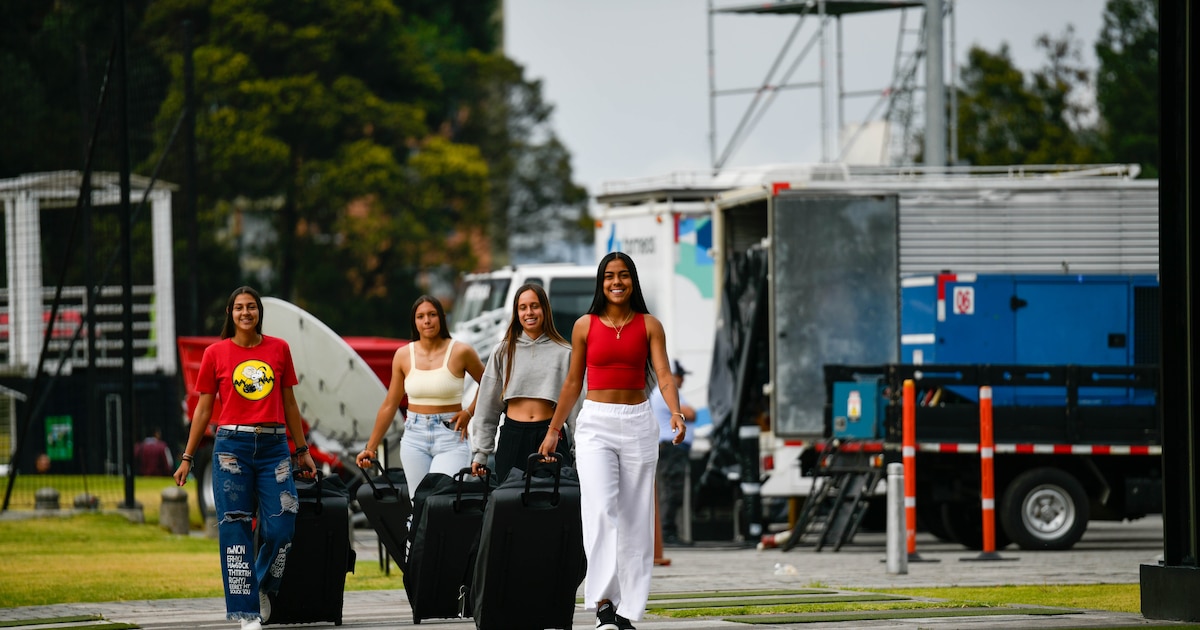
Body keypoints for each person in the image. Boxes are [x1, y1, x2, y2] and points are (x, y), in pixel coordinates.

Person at [539, 251, 686, 630]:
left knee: (636, 518)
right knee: (600, 510)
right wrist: (554, 430)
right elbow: (573, 383)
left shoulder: (650, 325)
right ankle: (604, 602)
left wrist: (675, 411)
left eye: (623, 276)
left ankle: (628, 610)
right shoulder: (585, 325)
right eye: (609, 276)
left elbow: (665, 375)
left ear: (633, 281)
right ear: (601, 283)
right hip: (596, 424)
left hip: (638, 423)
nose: (616, 282)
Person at [174, 286, 315, 630]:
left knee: (283, 526)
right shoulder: (215, 353)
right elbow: (204, 408)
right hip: (230, 449)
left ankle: (262, 585)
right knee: (234, 530)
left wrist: (302, 450)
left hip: (274, 448)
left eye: (251, 307)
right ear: (230, 313)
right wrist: (187, 457)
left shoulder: (278, 349)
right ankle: (246, 612)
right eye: (239, 308)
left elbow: (291, 404)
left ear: (259, 312)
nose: (245, 313)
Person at [356, 295, 484, 495]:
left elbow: (490, 383)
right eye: (420, 316)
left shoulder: (461, 351)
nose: (427, 321)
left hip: (450, 436)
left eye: (432, 315)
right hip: (414, 436)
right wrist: (370, 448)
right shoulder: (403, 355)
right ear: (414, 322)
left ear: (441, 317)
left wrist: (469, 412)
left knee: (440, 501)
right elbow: (390, 404)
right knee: (418, 504)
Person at [470, 283, 574, 483]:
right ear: (516, 312)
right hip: (512, 436)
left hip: (551, 436)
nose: (529, 312)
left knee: (550, 505)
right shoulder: (502, 351)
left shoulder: (564, 352)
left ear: (545, 309)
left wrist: (578, 452)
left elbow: (575, 409)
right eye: (523, 307)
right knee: (511, 506)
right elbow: (487, 408)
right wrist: (481, 453)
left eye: (535, 306)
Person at [651, 360, 697, 546]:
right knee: (672, 490)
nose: (683, 380)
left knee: (672, 489)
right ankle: (668, 533)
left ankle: (669, 532)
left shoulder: (668, 392)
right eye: (680, 376)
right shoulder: (665, 392)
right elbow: (691, 413)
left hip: (672, 449)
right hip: (672, 449)